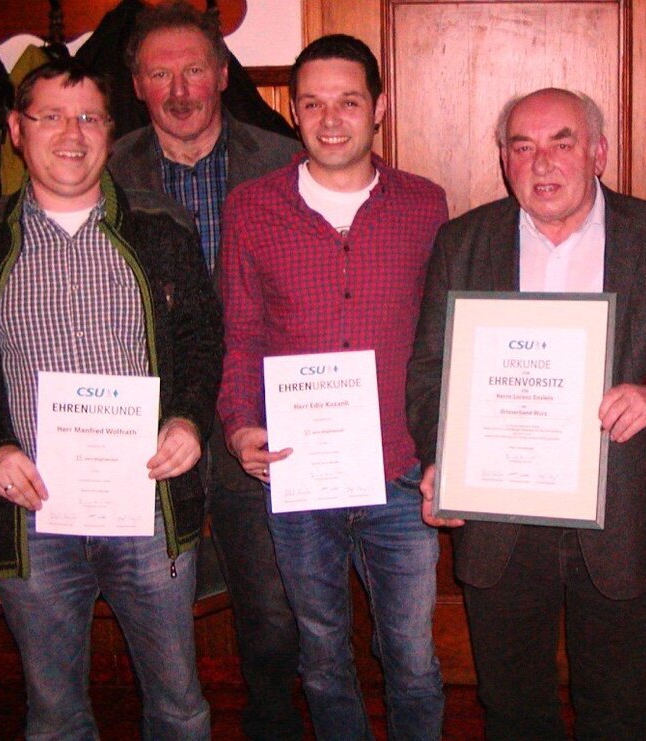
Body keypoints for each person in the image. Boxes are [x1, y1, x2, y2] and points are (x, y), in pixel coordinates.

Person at [407, 87, 646, 739]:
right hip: (501, 519)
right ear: (504, 160)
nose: (542, 162)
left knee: (617, 712)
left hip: (628, 514)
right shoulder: (463, 242)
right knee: (514, 708)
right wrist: (444, 457)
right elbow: (429, 372)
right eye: (522, 147)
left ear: (599, 153)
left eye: (562, 142)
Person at [0, 58, 222, 739]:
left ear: (111, 132)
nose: (71, 133)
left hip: (149, 507)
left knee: (179, 704)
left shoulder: (162, 227)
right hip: (32, 517)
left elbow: (204, 338)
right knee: (54, 713)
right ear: (16, 131)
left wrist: (190, 418)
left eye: (87, 116)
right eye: (49, 116)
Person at [217, 34, 448, 740]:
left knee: (410, 657)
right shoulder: (252, 207)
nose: (330, 118)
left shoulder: (425, 205)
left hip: (401, 473)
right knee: (320, 655)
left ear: (379, 105)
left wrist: (448, 452)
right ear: (292, 110)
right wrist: (237, 425)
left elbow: (446, 341)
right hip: (300, 476)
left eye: (348, 100)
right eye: (313, 102)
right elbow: (241, 337)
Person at [108, 5, 303, 738]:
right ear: (137, 85)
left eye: (195, 69)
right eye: (161, 73)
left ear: (224, 75)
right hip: (149, 423)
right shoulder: (100, 166)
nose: (181, 89)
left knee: (272, 606)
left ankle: (271, 719)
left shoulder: (286, 158)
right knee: (148, 597)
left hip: (260, 415)